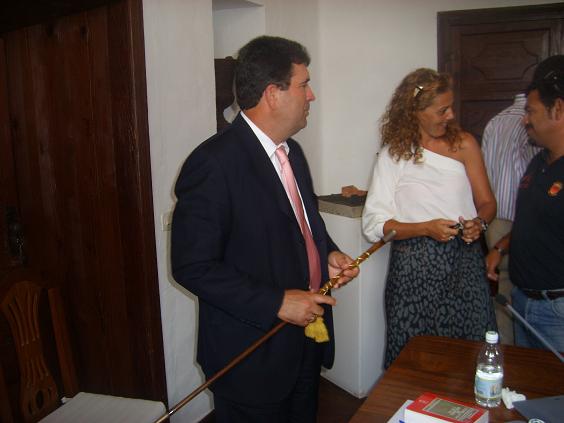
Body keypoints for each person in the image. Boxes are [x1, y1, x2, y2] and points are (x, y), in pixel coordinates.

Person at [171, 36, 358, 422]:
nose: (311, 96)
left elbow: (305, 222)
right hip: (251, 357)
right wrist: (277, 302)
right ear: (273, 93)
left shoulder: (293, 152)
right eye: (304, 85)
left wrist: (328, 253)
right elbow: (192, 266)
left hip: (305, 341)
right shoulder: (213, 163)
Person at [362, 68, 497, 368]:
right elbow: (374, 225)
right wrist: (425, 228)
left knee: (469, 350)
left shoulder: (464, 144)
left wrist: (479, 223)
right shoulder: (393, 155)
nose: (451, 115)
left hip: (464, 263)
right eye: (442, 110)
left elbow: (487, 202)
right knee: (415, 357)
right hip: (414, 269)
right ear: (415, 111)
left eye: (451, 107)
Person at [486, 55, 564, 352]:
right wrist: (500, 247)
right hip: (523, 303)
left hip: (556, 312)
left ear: (558, 109)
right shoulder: (539, 163)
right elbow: (530, 221)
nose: (524, 119)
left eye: (531, 111)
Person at [481, 94, 541, 344]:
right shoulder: (535, 122)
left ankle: (505, 351)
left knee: (502, 288)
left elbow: (484, 171)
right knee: (532, 287)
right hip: (526, 220)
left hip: (496, 218)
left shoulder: (495, 122)